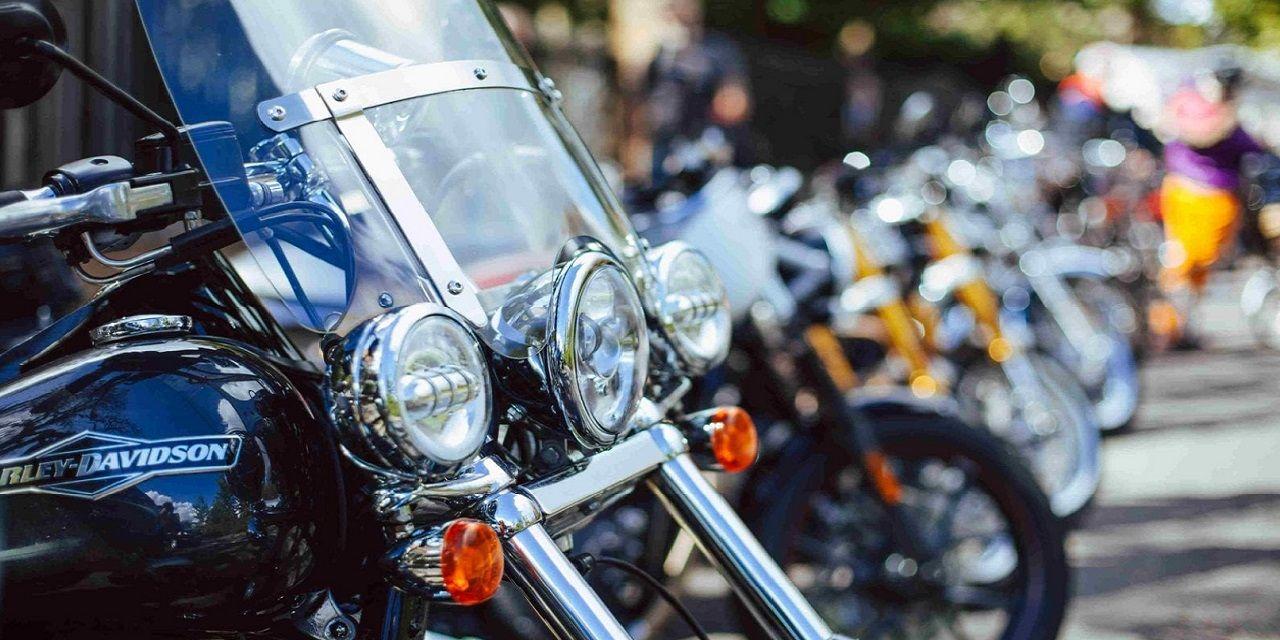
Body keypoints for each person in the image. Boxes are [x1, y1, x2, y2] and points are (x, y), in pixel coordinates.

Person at [1153, 65, 1266, 348]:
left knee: (1201, 266)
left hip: (1220, 198)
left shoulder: (1229, 111)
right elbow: (1199, 134)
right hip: (1191, 193)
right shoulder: (1191, 102)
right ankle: (1166, 326)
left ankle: (1183, 326)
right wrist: (1225, 115)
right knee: (1184, 260)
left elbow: (1254, 146)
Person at [643, 0, 752, 185]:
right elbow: (647, 99)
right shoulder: (662, 55)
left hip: (705, 147)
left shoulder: (717, 50)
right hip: (666, 146)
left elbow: (736, 103)